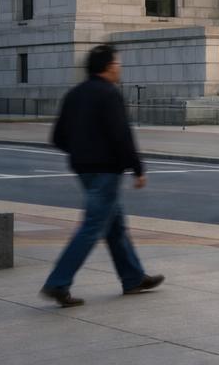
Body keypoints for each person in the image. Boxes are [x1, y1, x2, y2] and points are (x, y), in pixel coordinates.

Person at [40, 44, 164, 307]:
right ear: (108, 67)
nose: (120, 68)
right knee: (92, 227)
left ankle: (132, 277)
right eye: (118, 64)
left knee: (115, 226)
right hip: (107, 171)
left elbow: (58, 137)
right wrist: (138, 169)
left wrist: (81, 153)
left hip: (83, 170)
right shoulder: (109, 94)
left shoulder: (74, 94)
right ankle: (58, 282)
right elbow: (122, 135)